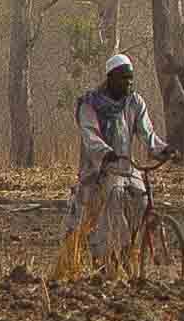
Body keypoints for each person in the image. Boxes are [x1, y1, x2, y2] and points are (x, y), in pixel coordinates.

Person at [73, 52, 171, 234]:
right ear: (110, 78)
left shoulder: (134, 102)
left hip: (127, 167)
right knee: (115, 198)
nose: (129, 83)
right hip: (100, 170)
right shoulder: (90, 104)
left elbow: (147, 133)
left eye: (131, 78)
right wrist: (106, 153)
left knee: (142, 199)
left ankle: (135, 249)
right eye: (123, 78)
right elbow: (90, 135)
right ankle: (111, 251)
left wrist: (163, 150)